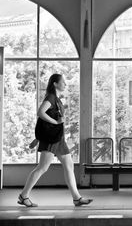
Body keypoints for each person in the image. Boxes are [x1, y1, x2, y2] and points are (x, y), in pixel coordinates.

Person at [18, 74, 93, 207]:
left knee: (69, 165)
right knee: (42, 168)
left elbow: (45, 122)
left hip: (59, 139)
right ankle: (24, 196)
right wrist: (56, 122)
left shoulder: (57, 99)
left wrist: (38, 137)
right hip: (52, 140)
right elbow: (40, 112)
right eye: (63, 82)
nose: (65, 84)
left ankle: (77, 198)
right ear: (55, 84)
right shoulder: (51, 98)